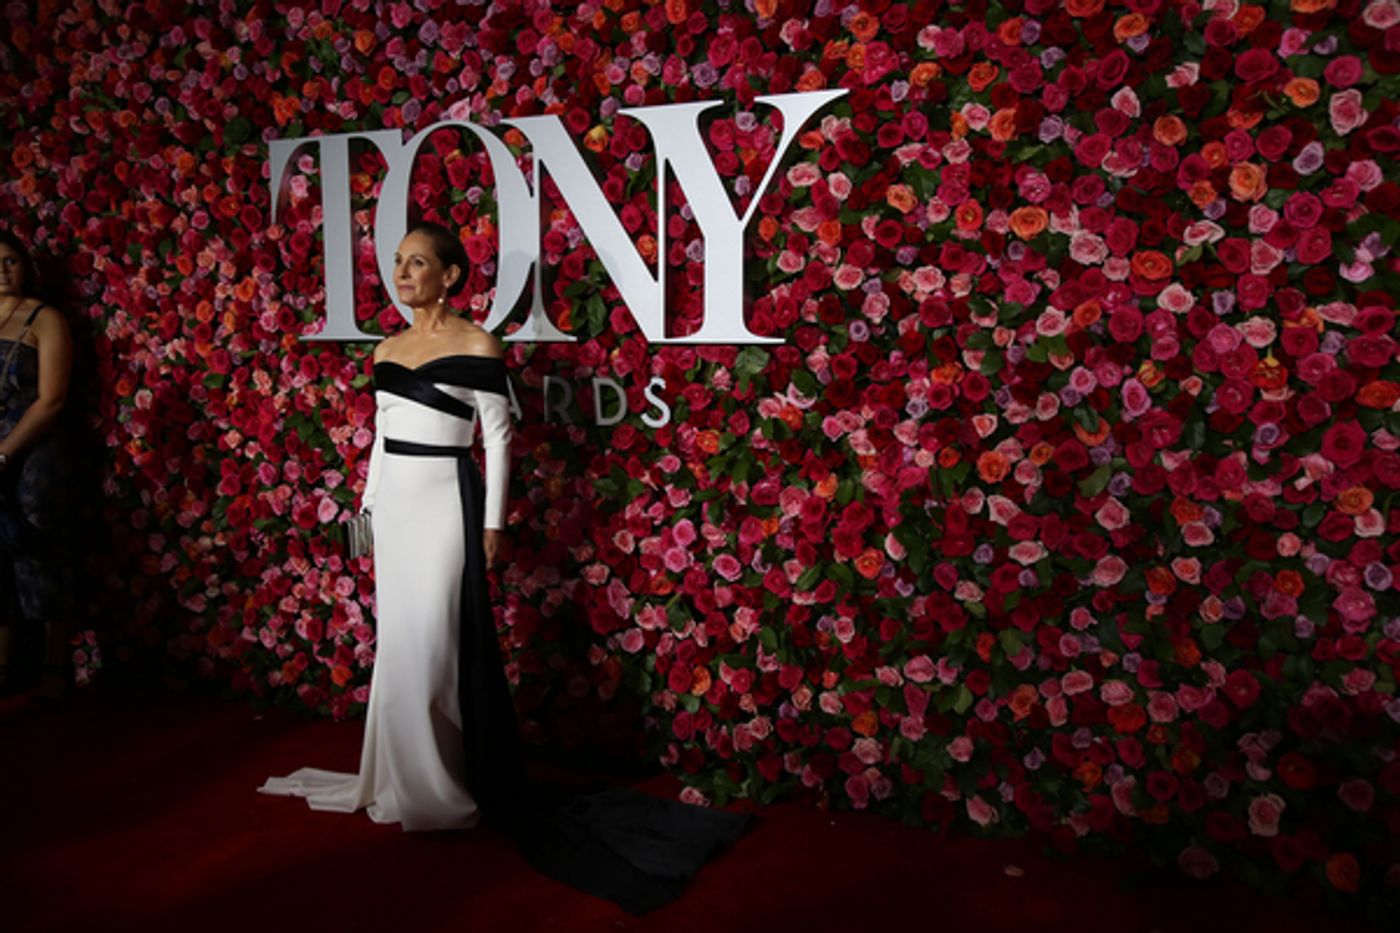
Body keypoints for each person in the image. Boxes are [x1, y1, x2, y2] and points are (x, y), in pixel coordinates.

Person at [261, 221, 749, 912]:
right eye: (397, 263)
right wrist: (365, 511)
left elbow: (497, 437)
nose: (402, 275)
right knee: (400, 645)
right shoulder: (387, 349)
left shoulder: (478, 344)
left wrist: (491, 523)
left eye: (418, 263)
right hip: (394, 509)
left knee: (433, 644)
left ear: (451, 276)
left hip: (445, 503)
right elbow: (378, 438)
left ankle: (439, 785)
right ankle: (404, 780)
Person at [0, 230, 75, 701]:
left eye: (10, 261)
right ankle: (5, 663)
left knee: (40, 539)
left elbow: (51, 400)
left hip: (34, 447)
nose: (3, 271)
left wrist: (5, 452)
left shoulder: (46, 320)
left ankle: (55, 660)